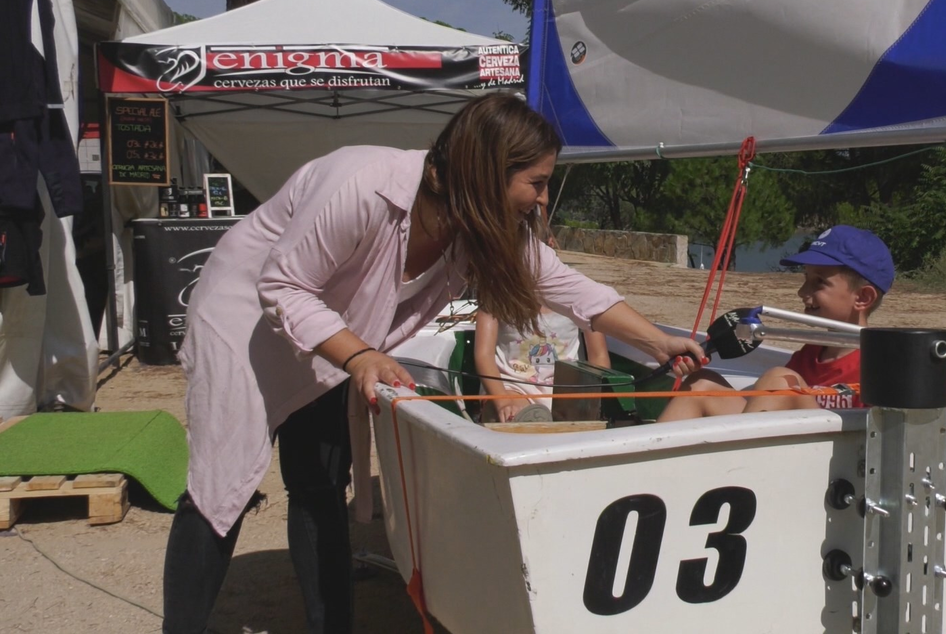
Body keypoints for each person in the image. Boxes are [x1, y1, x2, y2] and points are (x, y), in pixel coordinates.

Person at [161, 94, 704, 634]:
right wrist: (360, 354)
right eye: (535, 183)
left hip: (336, 337)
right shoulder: (362, 182)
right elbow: (283, 285)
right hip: (247, 323)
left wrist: (657, 340)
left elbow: (564, 284)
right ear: (490, 172)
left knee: (320, 483)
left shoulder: (482, 223)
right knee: (220, 485)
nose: (541, 200)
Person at [657, 225, 893, 422]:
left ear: (863, 298)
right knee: (701, 383)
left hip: (834, 465)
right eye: (805, 279)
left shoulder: (880, 364)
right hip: (793, 448)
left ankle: (735, 470)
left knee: (780, 379)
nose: (802, 292)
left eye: (818, 282)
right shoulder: (808, 356)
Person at [475, 305, 611, 422]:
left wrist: (595, 401)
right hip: (513, 386)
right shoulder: (495, 299)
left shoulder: (580, 299)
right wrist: (503, 402)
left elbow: (598, 355)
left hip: (566, 389)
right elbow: (484, 355)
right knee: (514, 414)